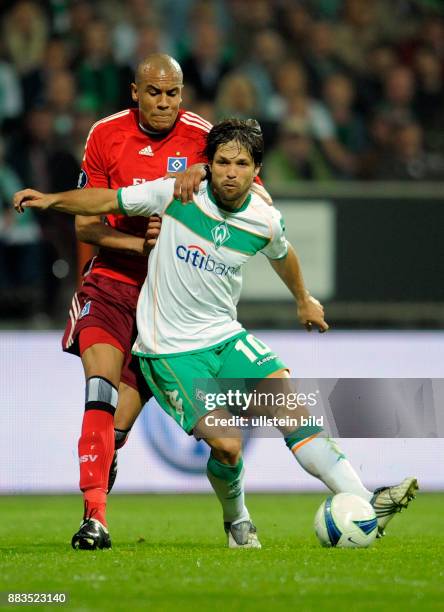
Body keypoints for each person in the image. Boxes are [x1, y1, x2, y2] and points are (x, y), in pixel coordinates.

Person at [15, 118, 418, 549]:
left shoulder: (263, 219)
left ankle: (362, 501)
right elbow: (107, 198)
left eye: (241, 163)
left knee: (294, 411)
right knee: (227, 446)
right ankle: (237, 518)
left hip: (225, 338)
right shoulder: (176, 193)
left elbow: (284, 254)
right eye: (222, 161)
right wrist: (53, 199)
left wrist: (303, 299)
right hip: (170, 351)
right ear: (208, 164)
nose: (230, 171)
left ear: (255, 169)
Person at [58, 52, 215, 549]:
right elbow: (86, 224)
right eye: (154, 92)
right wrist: (141, 244)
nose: (164, 102)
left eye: (172, 93)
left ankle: (110, 453)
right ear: (135, 91)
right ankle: (94, 519)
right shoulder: (105, 135)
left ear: (182, 93)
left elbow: (248, 202)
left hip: (169, 301)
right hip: (109, 284)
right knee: (98, 392)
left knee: (117, 427)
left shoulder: (205, 139)